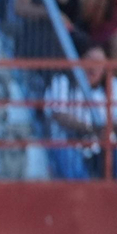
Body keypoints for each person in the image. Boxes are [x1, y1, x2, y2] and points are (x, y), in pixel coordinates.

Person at [46, 44, 116, 178]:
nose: (93, 66)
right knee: (69, 157)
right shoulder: (62, 82)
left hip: (104, 148)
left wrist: (107, 128)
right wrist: (90, 128)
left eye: (99, 62)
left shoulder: (112, 88)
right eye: (90, 60)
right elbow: (59, 114)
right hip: (69, 145)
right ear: (79, 61)